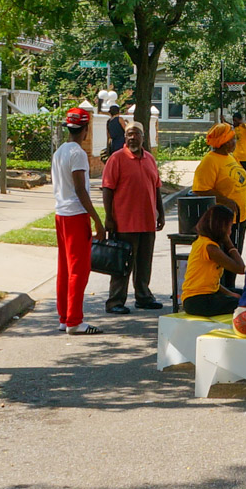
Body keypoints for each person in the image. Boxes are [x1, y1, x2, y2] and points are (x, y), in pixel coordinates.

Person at [101, 121, 165, 314]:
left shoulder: (150, 159)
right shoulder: (117, 158)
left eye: (136, 133)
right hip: (124, 222)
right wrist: (109, 217)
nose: (132, 137)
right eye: (129, 134)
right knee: (122, 264)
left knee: (144, 263)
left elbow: (156, 187)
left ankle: (143, 297)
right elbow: (107, 189)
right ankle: (115, 301)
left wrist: (160, 212)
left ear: (143, 137)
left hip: (147, 221)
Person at [51, 107, 106, 335]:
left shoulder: (59, 152)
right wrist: (97, 220)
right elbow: (80, 190)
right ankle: (75, 320)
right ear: (85, 130)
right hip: (75, 214)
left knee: (64, 268)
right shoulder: (78, 154)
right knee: (79, 270)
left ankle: (64, 317)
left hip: (61, 214)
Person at [191, 123, 246, 291]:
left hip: (239, 218)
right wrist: (224, 199)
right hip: (223, 222)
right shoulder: (210, 161)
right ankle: (225, 291)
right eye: (232, 139)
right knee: (227, 258)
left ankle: (231, 288)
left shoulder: (230, 157)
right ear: (224, 142)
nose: (235, 142)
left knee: (236, 252)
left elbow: (240, 182)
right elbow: (199, 189)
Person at [181, 205, 246, 316]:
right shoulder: (209, 247)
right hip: (197, 301)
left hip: (206, 294)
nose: (230, 231)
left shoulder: (202, 241)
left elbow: (212, 283)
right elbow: (240, 268)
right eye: (229, 227)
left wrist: (230, 293)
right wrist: (229, 244)